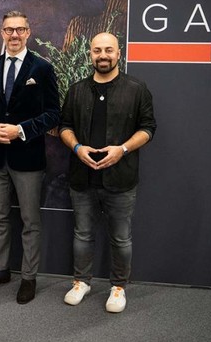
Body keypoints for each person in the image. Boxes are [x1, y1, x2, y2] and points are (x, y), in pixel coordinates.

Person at [59, 32, 156, 313]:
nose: (103, 55)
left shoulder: (137, 89)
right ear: (90, 53)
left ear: (118, 53)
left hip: (121, 177)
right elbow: (64, 126)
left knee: (121, 238)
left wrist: (122, 150)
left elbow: (148, 128)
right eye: (97, 50)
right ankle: (81, 282)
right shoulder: (77, 90)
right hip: (82, 176)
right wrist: (77, 148)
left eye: (108, 50)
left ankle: (118, 287)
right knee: (82, 234)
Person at [0, 10, 60, 304]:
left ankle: (28, 277)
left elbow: (53, 114)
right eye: (9, 30)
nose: (14, 35)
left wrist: (20, 130)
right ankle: (1, 271)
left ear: (28, 32)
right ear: (2, 33)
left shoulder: (42, 69)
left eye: (20, 30)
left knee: (30, 221)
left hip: (28, 159)